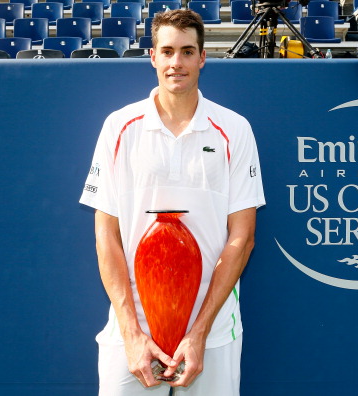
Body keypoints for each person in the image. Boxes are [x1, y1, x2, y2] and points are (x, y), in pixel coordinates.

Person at [79, 9, 265, 396]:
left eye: (186, 51)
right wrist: (132, 333)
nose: (175, 62)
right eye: (167, 51)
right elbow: (106, 237)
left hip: (212, 334)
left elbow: (241, 239)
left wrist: (198, 333)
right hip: (132, 335)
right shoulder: (119, 126)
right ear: (153, 57)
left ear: (202, 58)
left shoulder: (235, 129)